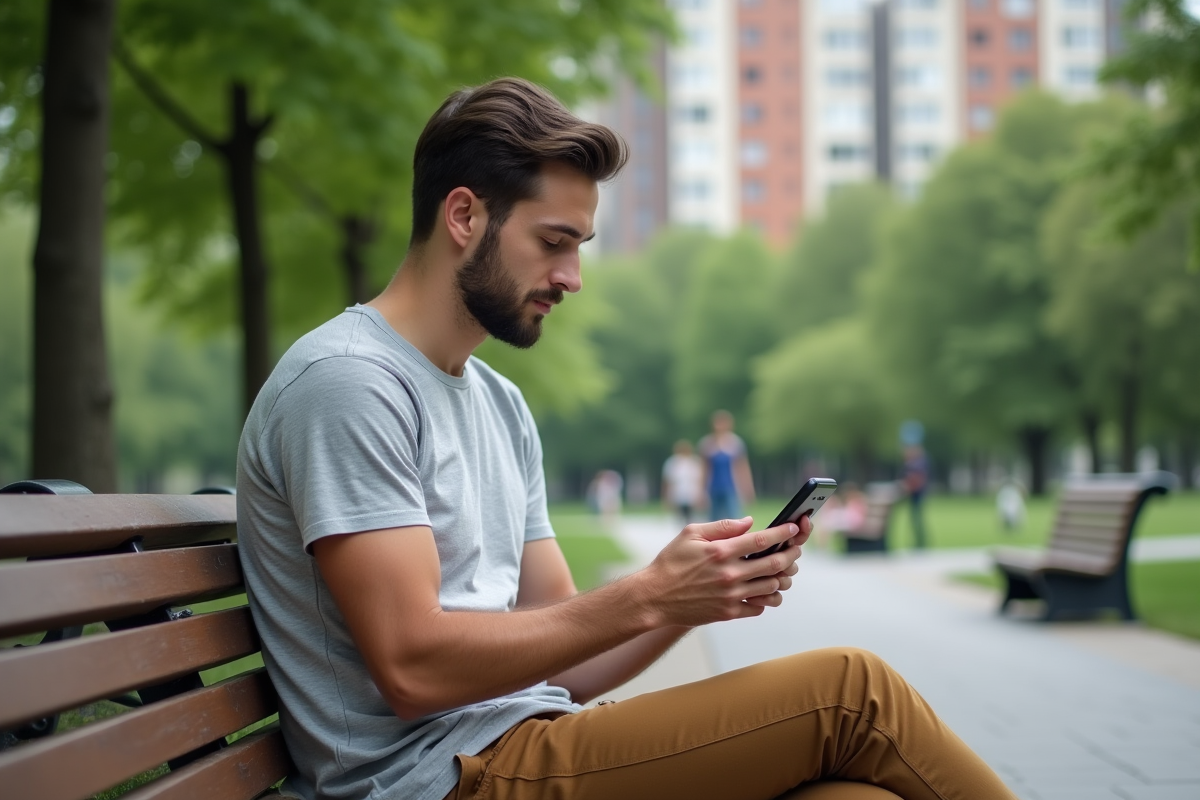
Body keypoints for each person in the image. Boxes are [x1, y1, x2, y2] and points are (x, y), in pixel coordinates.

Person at [236, 77, 1018, 800]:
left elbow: (570, 654)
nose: (572, 277)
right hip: (434, 780)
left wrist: (694, 597)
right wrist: (647, 593)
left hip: (521, 742)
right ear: (464, 216)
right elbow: (413, 668)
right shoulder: (349, 383)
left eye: (580, 246)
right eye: (554, 241)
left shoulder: (500, 404)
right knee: (853, 693)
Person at [699, 409, 756, 522]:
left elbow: (743, 468)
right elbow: (704, 469)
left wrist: (748, 488)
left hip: (731, 487)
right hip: (713, 488)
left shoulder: (735, 443)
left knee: (734, 517)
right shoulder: (707, 444)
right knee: (713, 520)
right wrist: (701, 491)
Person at [661, 439, 704, 524]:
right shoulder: (672, 463)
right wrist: (666, 497)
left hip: (691, 493)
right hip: (678, 494)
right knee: (680, 516)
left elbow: (699, 480)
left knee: (690, 516)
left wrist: (700, 494)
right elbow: (667, 481)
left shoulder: (694, 462)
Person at [902, 444, 930, 549]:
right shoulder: (914, 464)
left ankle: (920, 542)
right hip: (915, 495)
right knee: (916, 519)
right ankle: (919, 542)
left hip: (917, 494)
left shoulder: (916, 465)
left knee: (917, 519)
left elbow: (917, 480)